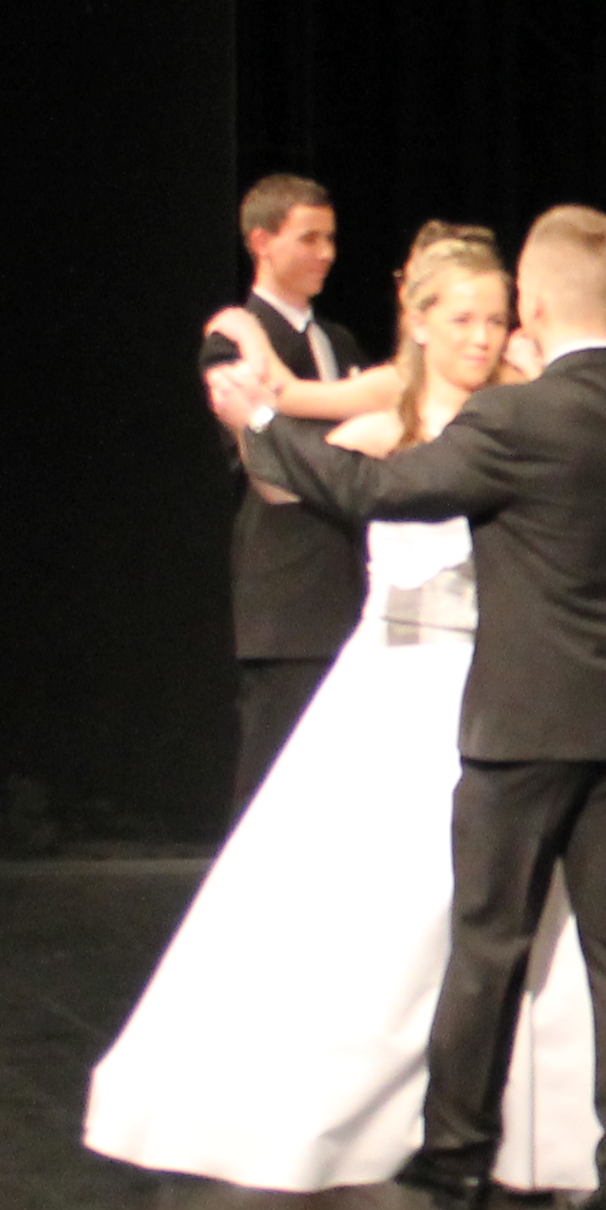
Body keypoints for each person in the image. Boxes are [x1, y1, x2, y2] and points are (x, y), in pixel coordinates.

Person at [98, 233, 606, 1195]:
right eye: (463, 318)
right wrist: (257, 408)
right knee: (480, 931)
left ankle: (488, 1147)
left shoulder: (522, 412)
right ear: (421, 322)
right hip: (429, 692)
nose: (482, 335)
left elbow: (590, 406)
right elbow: (315, 474)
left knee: (528, 935)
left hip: (517, 698)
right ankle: (524, 1152)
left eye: (496, 318)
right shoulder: (405, 414)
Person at [200, 174, 365, 818]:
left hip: (352, 583)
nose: (326, 253)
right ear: (262, 242)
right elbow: (267, 462)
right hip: (289, 593)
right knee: (273, 786)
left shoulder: (339, 342)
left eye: (331, 238)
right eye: (309, 238)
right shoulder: (230, 340)